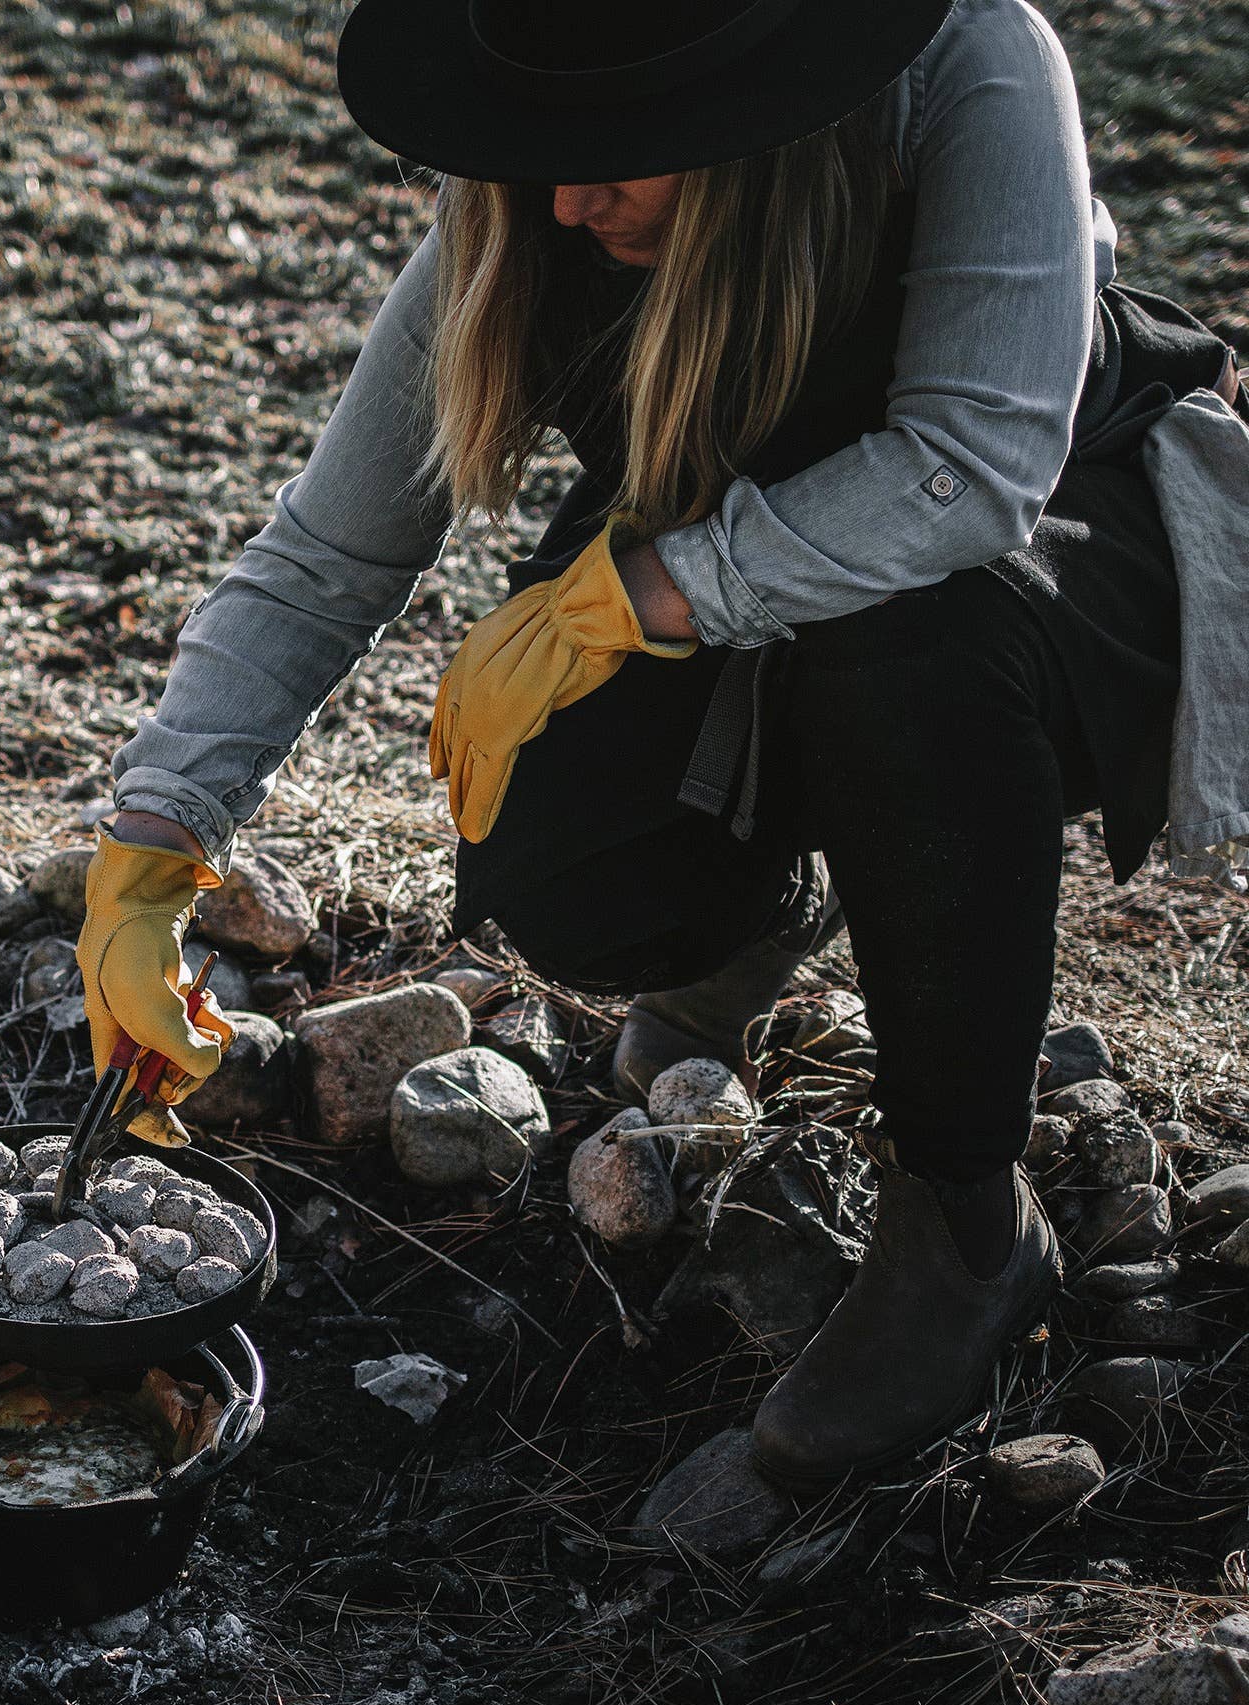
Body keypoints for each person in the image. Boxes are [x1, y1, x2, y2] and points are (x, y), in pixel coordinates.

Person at [76, 0, 1245, 1489]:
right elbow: (330, 556)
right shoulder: (536, 194)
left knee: (907, 645)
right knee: (577, 869)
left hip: (1041, 557)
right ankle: (783, 911)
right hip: (745, 500)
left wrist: (620, 598)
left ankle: (965, 1217)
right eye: (547, 151)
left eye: (622, 155)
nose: (569, 200)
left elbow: (971, 472)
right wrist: (152, 848)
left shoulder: (964, 64)